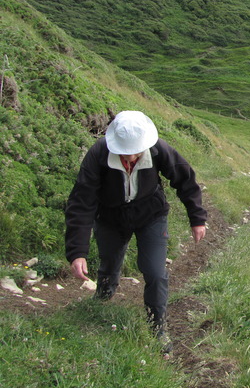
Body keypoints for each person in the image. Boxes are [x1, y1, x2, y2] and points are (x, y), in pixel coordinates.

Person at [64, 111, 208, 353]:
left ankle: (157, 327)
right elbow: (82, 201)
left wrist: (197, 218)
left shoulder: (158, 149)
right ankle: (104, 295)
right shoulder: (98, 154)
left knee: (155, 271)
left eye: (135, 151)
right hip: (110, 217)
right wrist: (77, 251)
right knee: (109, 262)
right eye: (124, 152)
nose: (130, 157)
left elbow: (185, 179)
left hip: (150, 215)